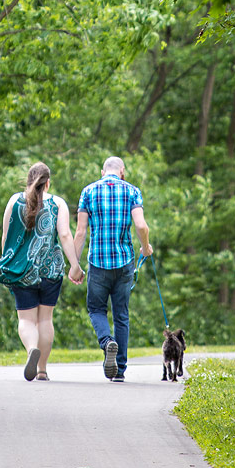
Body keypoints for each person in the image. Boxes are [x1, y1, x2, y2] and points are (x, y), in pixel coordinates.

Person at [0, 161, 85, 381]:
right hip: (50, 270)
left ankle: (31, 350)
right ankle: (42, 369)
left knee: (26, 320)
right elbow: (64, 236)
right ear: (48, 183)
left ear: (29, 180)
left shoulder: (14, 201)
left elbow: (6, 236)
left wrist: (7, 263)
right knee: (45, 320)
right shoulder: (58, 203)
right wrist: (75, 265)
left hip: (22, 270)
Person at [73, 155, 153, 383]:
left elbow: (80, 233)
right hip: (124, 262)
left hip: (98, 263)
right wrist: (145, 248)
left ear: (102, 171)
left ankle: (107, 342)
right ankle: (119, 370)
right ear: (122, 171)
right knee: (121, 315)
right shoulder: (132, 191)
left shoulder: (88, 192)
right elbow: (140, 225)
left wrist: (75, 265)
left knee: (96, 309)